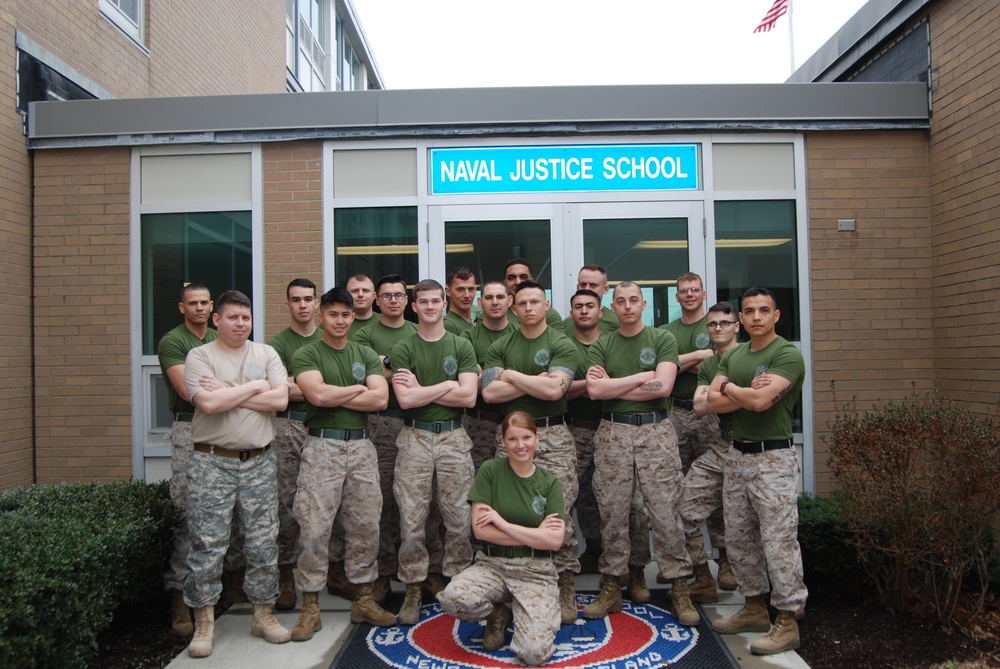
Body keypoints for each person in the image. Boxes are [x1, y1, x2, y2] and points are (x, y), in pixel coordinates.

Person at [182, 290, 291, 658]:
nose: (240, 324)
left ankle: (263, 614)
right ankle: (204, 621)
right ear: (217, 320)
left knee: (262, 542)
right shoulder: (200, 356)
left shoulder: (266, 353)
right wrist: (255, 387)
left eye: (246, 318)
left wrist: (230, 390)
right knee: (208, 544)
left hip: (259, 460)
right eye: (232, 317)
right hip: (212, 462)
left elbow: (280, 401)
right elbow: (208, 404)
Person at [583, 281, 699, 626]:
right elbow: (594, 390)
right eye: (621, 301)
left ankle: (679, 586)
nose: (628, 306)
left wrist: (616, 386)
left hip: (656, 432)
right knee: (613, 511)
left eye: (634, 300)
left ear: (643, 304)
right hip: (613, 432)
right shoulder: (602, 344)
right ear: (612, 306)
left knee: (666, 510)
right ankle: (611, 585)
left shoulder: (662, 339)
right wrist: (642, 378)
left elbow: (663, 387)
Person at [288, 287, 397, 640]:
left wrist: (336, 392)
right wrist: (355, 389)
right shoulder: (307, 354)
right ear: (320, 316)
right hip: (322, 448)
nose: (339, 320)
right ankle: (310, 607)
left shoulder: (364, 353)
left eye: (345, 314)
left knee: (366, 525)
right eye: (332, 314)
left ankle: (363, 597)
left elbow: (380, 398)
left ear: (353, 317)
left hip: (362, 449)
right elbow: (316, 395)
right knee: (314, 528)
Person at [707, 287, 807, 656]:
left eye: (764, 310)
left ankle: (787, 620)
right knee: (739, 538)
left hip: (773, 460)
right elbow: (711, 402)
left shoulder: (786, 354)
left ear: (776, 315)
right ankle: (753, 607)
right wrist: (742, 391)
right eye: (749, 311)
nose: (756, 317)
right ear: (741, 318)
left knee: (779, 541)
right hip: (737, 456)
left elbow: (763, 402)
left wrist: (731, 389)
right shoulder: (735, 354)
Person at [482, 280, 581, 625]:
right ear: (512, 306)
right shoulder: (500, 344)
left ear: (545, 304)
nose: (528, 308)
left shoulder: (561, 342)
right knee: (511, 509)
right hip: (510, 437)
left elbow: (555, 390)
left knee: (559, 513)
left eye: (534, 302)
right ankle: (509, 590)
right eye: (521, 303)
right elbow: (490, 395)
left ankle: (564, 584)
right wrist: (533, 379)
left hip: (552, 434)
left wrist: (510, 375)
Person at [437, 412, 565, 667]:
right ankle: (499, 614)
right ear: (503, 441)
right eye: (513, 439)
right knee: (452, 598)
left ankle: (528, 611)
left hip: (535, 570)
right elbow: (481, 532)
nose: (521, 445)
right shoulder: (490, 471)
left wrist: (503, 524)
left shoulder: (549, 482)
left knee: (533, 654)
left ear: (536, 439)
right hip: (492, 565)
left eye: (526, 437)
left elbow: (554, 542)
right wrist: (535, 533)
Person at [390, 279, 479, 625]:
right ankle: (413, 588)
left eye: (435, 301)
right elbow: (406, 400)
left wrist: (427, 388)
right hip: (414, 438)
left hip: (454, 439)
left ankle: (458, 582)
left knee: (458, 517)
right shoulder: (404, 348)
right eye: (423, 302)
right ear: (414, 307)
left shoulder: (461, 345)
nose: (429, 307)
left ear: (445, 305)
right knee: (412, 519)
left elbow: (469, 397)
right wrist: (448, 385)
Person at [564, 289, 651, 602]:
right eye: (578, 307)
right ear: (571, 312)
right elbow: (579, 389)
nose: (584, 311)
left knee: (632, 505)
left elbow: (606, 388)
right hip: (574, 430)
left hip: (615, 430)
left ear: (602, 311)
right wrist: (599, 386)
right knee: (580, 499)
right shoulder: (565, 345)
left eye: (590, 306)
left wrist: (605, 386)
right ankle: (593, 553)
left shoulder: (612, 341)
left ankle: (637, 570)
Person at [659, 272, 733, 592]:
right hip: (676, 411)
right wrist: (696, 358)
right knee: (680, 489)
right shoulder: (666, 331)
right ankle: (689, 564)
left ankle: (725, 560)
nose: (689, 295)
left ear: (703, 294)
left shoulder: (715, 326)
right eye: (683, 291)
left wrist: (679, 364)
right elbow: (665, 367)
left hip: (711, 417)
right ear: (677, 297)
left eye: (694, 290)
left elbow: (712, 361)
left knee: (717, 493)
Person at [353, 275, 418, 602]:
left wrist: (383, 364)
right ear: (376, 301)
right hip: (377, 424)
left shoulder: (418, 331)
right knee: (377, 500)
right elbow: (365, 371)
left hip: (413, 423)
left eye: (399, 295)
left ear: (407, 301)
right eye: (386, 296)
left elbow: (426, 373)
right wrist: (398, 365)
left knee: (412, 501)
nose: (393, 300)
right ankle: (381, 572)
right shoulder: (364, 333)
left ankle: (413, 574)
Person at [157, 283, 217, 637]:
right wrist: (230, 386)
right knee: (187, 514)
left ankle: (221, 591)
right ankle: (180, 597)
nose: (199, 308)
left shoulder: (218, 336)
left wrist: (218, 384)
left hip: (224, 428)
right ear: (182, 307)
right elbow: (188, 390)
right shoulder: (174, 341)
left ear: (212, 306)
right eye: (192, 303)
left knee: (226, 513)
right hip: (189, 431)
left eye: (204, 303)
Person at [265, 278, 322, 611]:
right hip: (287, 427)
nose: (303, 305)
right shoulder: (276, 345)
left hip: (322, 427)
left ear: (317, 304)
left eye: (308, 299)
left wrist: (295, 382)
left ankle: (333, 570)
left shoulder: (330, 337)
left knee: (327, 502)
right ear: (286, 304)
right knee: (286, 502)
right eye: (296, 300)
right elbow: (277, 391)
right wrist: (317, 385)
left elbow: (334, 384)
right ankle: (286, 575)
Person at [682, 301, 741, 604]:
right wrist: (739, 391)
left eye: (725, 323)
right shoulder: (708, 364)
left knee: (743, 519)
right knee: (682, 510)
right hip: (722, 444)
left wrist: (721, 393)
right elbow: (700, 406)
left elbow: (762, 402)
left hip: (751, 447)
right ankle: (703, 577)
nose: (718, 329)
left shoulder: (749, 356)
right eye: (713, 324)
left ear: (736, 326)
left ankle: (735, 570)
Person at [461, 280, 517, 469]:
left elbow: (533, 379)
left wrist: (486, 376)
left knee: (513, 485)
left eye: (500, 297)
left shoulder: (522, 335)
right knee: (477, 483)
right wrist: (510, 376)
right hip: (477, 423)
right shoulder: (466, 339)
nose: (495, 302)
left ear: (510, 300)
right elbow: (468, 386)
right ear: (480, 301)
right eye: (489, 297)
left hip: (515, 423)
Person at [502, 258, 563, 327]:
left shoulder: (549, 314)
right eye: (511, 278)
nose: (518, 282)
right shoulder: (498, 313)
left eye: (523, 277)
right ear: (505, 283)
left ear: (532, 281)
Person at [561, 265, 619, 338]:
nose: (587, 289)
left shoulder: (617, 322)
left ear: (605, 289)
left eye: (593, 285)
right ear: (577, 287)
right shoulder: (566, 325)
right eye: (583, 284)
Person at [444, 266, 478, 335]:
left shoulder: (470, 324)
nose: (467, 295)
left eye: (471, 289)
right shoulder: (448, 325)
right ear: (448, 291)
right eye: (460, 289)